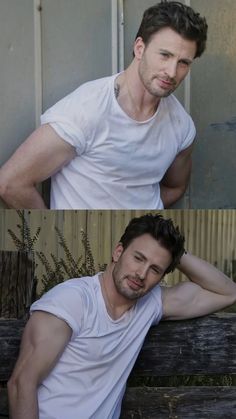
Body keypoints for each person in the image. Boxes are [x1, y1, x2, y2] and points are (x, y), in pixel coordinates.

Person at [8, 213, 236, 419]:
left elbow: (228, 292)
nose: (142, 274)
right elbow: (21, 384)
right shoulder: (72, 301)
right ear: (118, 252)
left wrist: (175, 251)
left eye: (155, 269)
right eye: (138, 258)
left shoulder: (151, 305)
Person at [0, 1, 208, 209]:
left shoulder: (181, 126)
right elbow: (11, 184)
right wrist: (56, 236)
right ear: (139, 48)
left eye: (183, 63)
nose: (172, 72)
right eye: (165, 55)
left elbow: (175, 188)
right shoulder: (87, 110)